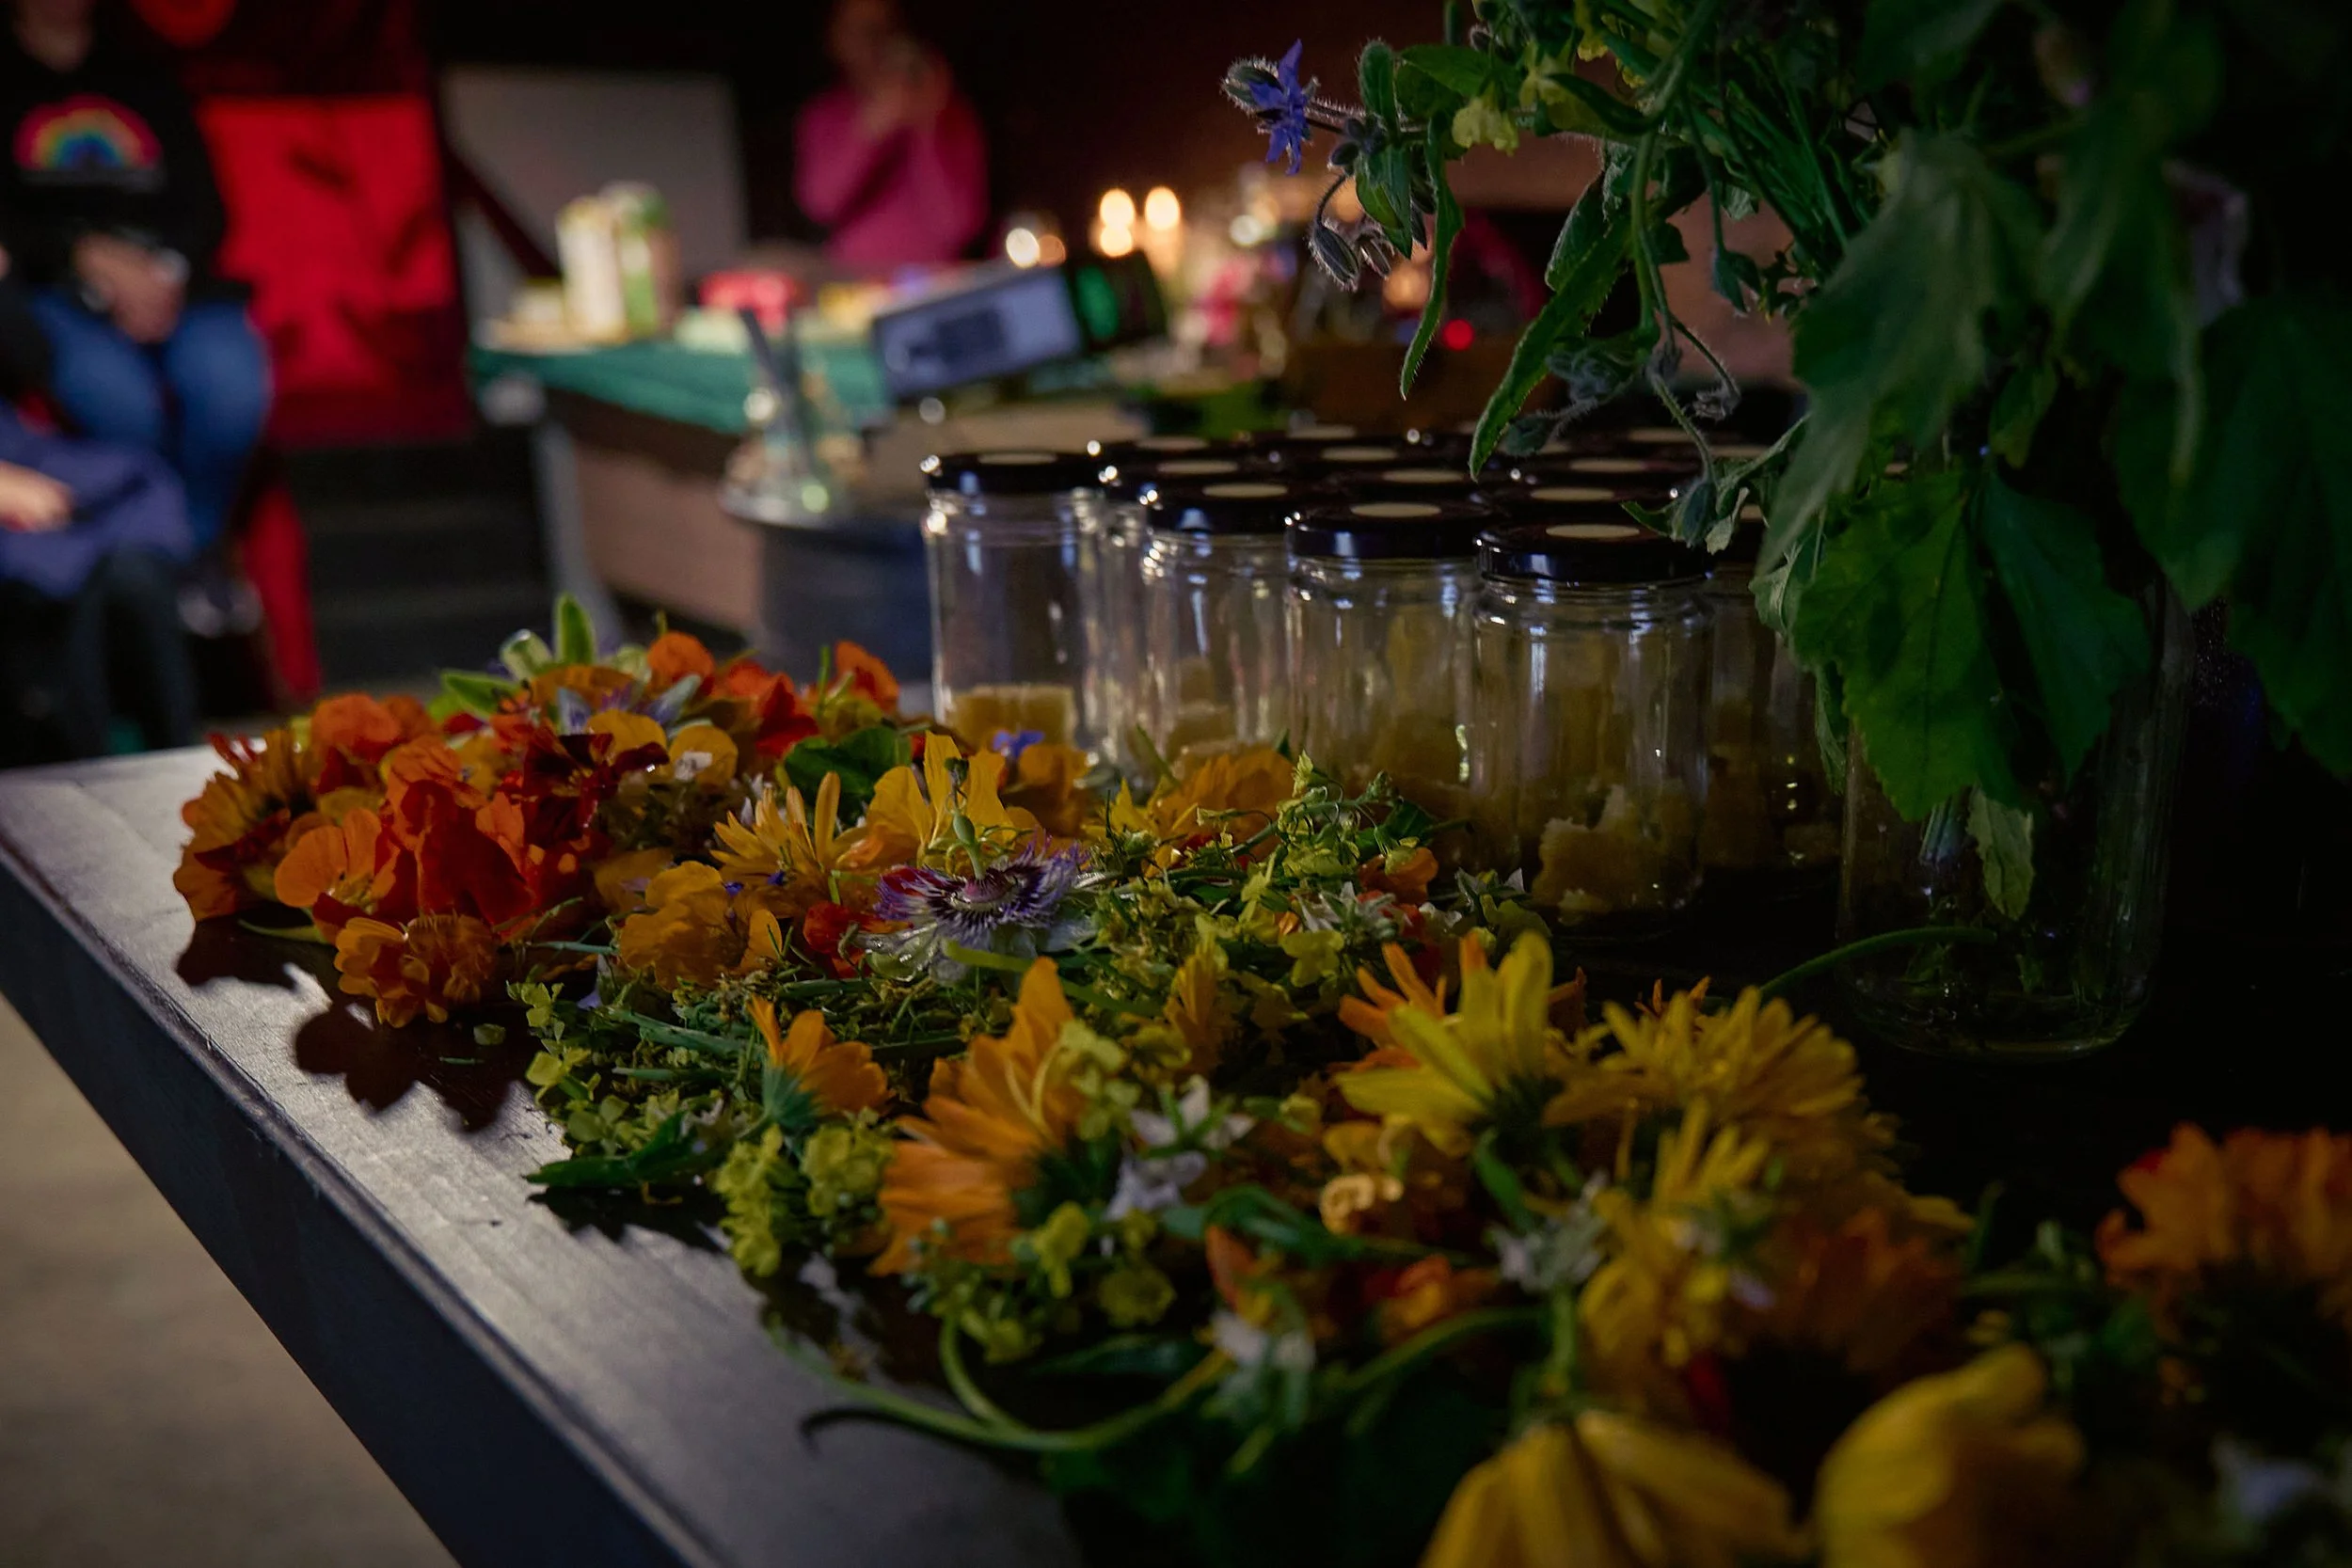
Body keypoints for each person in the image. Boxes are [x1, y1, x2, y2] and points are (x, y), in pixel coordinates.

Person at [0, 0, 269, 565]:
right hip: (53, 289)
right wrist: (83, 256)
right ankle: (158, 559)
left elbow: (207, 210)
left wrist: (161, 273)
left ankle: (192, 551)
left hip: (175, 283)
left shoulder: (143, 72)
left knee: (231, 389)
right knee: (121, 405)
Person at [2, 261, 198, 765]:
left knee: (135, 561)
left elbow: (26, 360)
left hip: (18, 448)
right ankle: (78, 783)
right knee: (59, 577)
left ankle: (177, 773)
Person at [794, 0, 988, 270]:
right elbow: (820, 205)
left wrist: (927, 125)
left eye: (885, 30)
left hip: (936, 282)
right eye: (860, 30)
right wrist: (873, 125)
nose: (874, 43)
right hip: (855, 283)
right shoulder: (824, 115)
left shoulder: (948, 111)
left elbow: (958, 226)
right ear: (835, 39)